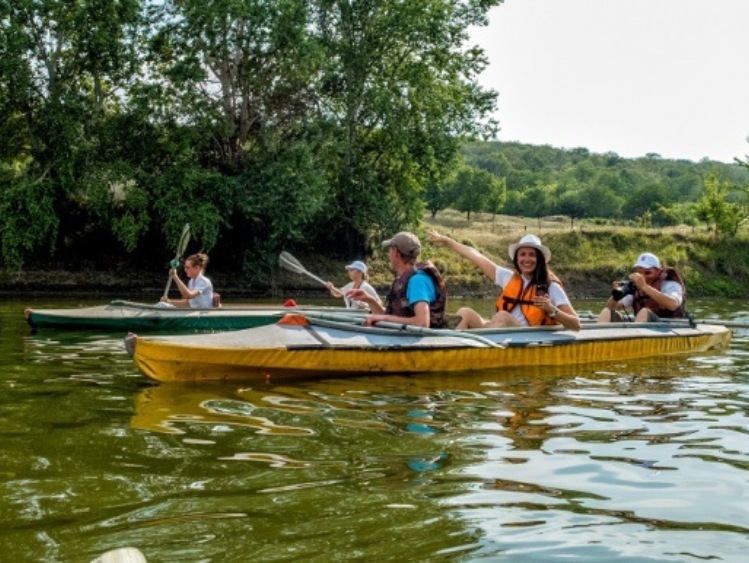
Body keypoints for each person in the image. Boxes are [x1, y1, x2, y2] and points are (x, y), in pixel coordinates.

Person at [427, 230, 581, 331]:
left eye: (532, 255)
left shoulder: (551, 287)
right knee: (464, 312)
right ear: (517, 258)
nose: (527, 259)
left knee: (502, 316)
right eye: (522, 255)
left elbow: (576, 325)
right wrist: (448, 241)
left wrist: (551, 310)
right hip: (500, 330)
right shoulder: (507, 277)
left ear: (539, 259)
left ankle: (477, 349)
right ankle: (455, 349)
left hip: (527, 335)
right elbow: (476, 256)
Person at [347, 231, 447, 328]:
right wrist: (370, 300)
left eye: (389, 250)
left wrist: (385, 318)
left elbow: (422, 323)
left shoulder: (418, 281)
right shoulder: (406, 278)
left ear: (395, 252)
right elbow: (390, 317)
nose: (388, 254)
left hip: (419, 342)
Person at [597, 252, 685, 323]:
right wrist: (616, 295)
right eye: (640, 273)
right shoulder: (635, 287)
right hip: (641, 326)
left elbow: (673, 304)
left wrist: (645, 287)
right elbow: (614, 308)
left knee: (644, 312)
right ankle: (598, 341)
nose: (643, 277)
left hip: (666, 326)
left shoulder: (670, 285)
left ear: (658, 272)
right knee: (607, 311)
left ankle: (634, 341)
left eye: (647, 273)